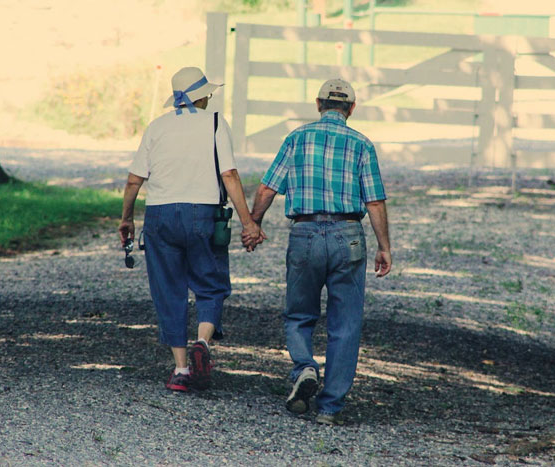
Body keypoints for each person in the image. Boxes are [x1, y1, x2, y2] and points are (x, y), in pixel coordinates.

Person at [246, 78, 391, 425]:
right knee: (346, 323)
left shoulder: (296, 139)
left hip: (305, 232)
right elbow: (374, 200)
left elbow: (268, 188)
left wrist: (253, 224)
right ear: (351, 109)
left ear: (318, 104)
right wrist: (384, 247)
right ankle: (329, 408)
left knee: (299, 313)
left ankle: (304, 367)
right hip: (349, 235)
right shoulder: (362, 144)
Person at [119, 66, 262, 393]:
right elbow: (229, 175)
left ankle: (182, 369)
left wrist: (126, 218)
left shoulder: (156, 127)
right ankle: (203, 341)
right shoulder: (214, 123)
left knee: (168, 289)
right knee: (210, 283)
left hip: (160, 216)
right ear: (203, 96)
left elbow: (133, 180)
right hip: (203, 213)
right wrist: (248, 222)